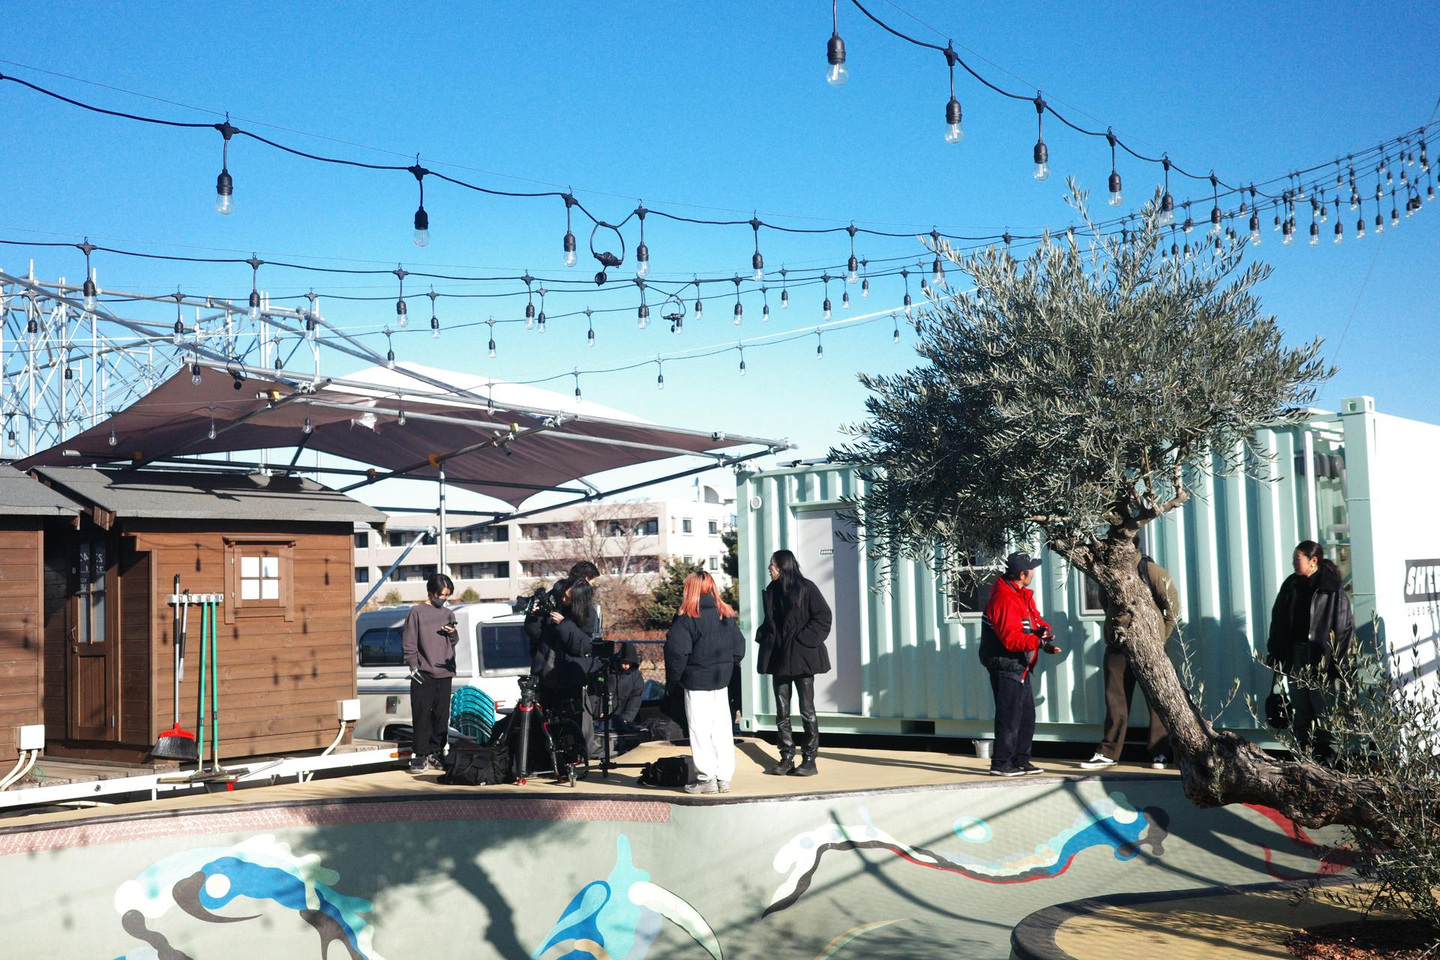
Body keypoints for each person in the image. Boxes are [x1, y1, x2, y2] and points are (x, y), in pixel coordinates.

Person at [1081, 555, 1181, 770]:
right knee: (1116, 701)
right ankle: (1108, 753)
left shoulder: (1151, 571)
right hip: (1118, 648)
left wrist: (1160, 637)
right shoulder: (1108, 573)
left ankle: (1160, 753)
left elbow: (1172, 607)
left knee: (1157, 700)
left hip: (1150, 648)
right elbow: (1106, 604)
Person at [1266, 540, 1355, 764]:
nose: (1293, 563)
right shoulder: (1291, 585)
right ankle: (1304, 753)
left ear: (1313, 560)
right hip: (1296, 653)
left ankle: (1329, 757)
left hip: (1321, 655)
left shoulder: (1330, 588)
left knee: (1323, 706)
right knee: (1300, 705)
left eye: (1297, 559)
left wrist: (1339, 662)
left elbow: (1344, 627)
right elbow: (1278, 620)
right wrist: (1275, 651)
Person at [978, 552, 1061, 777]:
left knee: (1025, 717)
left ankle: (1020, 760)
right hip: (1006, 663)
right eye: (1031, 569)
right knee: (1009, 716)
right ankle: (1001, 763)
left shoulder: (1021, 594)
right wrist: (1038, 642)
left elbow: (1033, 621)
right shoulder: (1004, 599)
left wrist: (1042, 631)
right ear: (1023, 574)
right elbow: (1011, 639)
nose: (1033, 572)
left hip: (1020, 664)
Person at [666, 571, 746, 793]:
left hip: (695, 682)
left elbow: (677, 654)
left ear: (689, 589)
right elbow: (739, 648)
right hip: (721, 681)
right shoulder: (725, 615)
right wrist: (727, 667)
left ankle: (706, 779)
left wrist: (676, 679)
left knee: (699, 731)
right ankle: (723, 778)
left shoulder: (687, 619)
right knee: (722, 731)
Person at [755, 549, 833, 777]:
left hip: (802, 656)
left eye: (772, 564)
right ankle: (786, 757)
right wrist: (765, 635)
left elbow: (823, 616)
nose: (769, 568)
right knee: (782, 710)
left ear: (782, 566)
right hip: (779, 656)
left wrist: (803, 639)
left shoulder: (806, 588)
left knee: (807, 709)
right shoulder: (772, 590)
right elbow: (773, 622)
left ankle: (809, 760)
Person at [527, 576, 600, 755]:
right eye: (563, 594)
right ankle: (544, 757)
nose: (563, 599)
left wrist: (564, 625)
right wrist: (534, 616)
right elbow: (536, 635)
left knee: (569, 722)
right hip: (546, 673)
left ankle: (571, 757)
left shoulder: (588, 615)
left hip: (570, 677)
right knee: (544, 721)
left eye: (568, 597)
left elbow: (584, 646)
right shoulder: (554, 605)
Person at [401, 573, 458, 773]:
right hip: (423, 672)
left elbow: (454, 641)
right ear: (432, 592)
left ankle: (436, 752)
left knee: (442, 716)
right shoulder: (416, 612)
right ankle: (420, 755)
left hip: (445, 671)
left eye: (447, 595)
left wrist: (452, 633)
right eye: (442, 594)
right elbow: (409, 642)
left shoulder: (448, 614)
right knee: (422, 714)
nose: (444, 598)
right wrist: (413, 665)